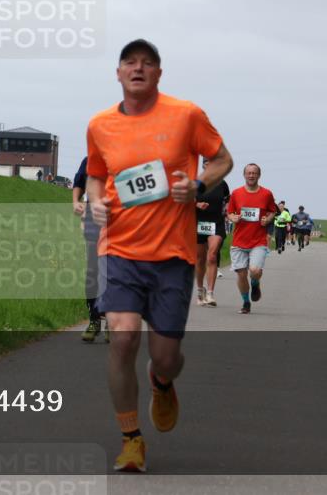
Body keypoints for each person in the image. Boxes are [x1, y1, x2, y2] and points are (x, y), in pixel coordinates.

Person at [87, 39, 233, 473]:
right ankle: (131, 439)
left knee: (166, 355)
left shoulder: (186, 115)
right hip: (120, 249)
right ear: (117, 73)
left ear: (158, 74)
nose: (138, 69)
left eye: (147, 63)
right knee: (124, 336)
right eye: (129, 63)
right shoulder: (99, 125)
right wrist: (96, 203)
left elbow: (222, 160)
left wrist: (199, 185)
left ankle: (161, 380)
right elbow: (96, 176)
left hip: (172, 253)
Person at [227, 164, 278, 315]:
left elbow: (272, 211)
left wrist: (267, 220)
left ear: (259, 175)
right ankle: (246, 302)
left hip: (258, 240)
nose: (251, 175)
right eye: (248, 173)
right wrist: (233, 218)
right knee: (241, 274)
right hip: (239, 241)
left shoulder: (267, 194)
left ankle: (255, 283)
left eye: (254, 173)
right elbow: (229, 212)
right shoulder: (236, 193)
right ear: (244, 175)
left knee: (254, 271)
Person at [73, 156, 108, 342]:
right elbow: (79, 182)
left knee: (112, 269)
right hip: (93, 218)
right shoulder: (89, 159)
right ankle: (94, 320)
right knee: (92, 270)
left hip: (119, 218)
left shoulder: (126, 154)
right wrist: (75, 201)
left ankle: (112, 320)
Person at [194, 158, 230, 308]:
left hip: (216, 222)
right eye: (207, 164)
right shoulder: (195, 182)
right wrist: (197, 204)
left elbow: (227, 200)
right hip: (198, 223)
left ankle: (210, 293)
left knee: (212, 255)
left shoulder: (222, 183)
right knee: (200, 259)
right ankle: (200, 290)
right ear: (203, 165)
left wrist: (228, 209)